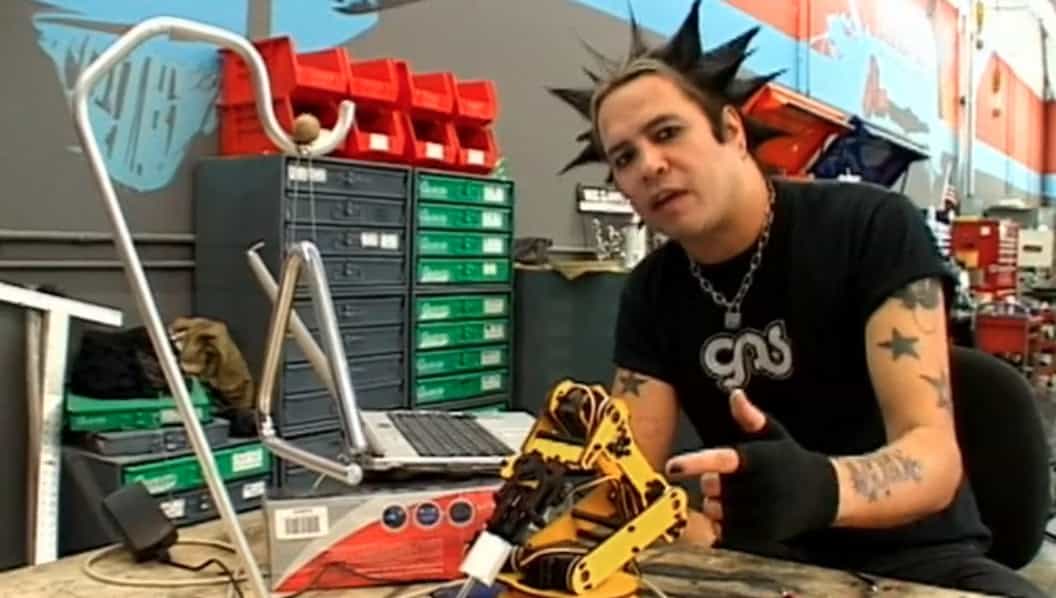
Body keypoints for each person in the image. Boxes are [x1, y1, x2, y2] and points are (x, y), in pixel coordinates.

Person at [547, 2, 1046, 597]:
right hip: (755, 563)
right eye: (624, 157)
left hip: (914, 559)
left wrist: (819, 488)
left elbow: (934, 462)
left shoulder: (870, 227)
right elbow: (627, 473)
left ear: (731, 130)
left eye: (666, 133)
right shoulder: (654, 289)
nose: (649, 165)